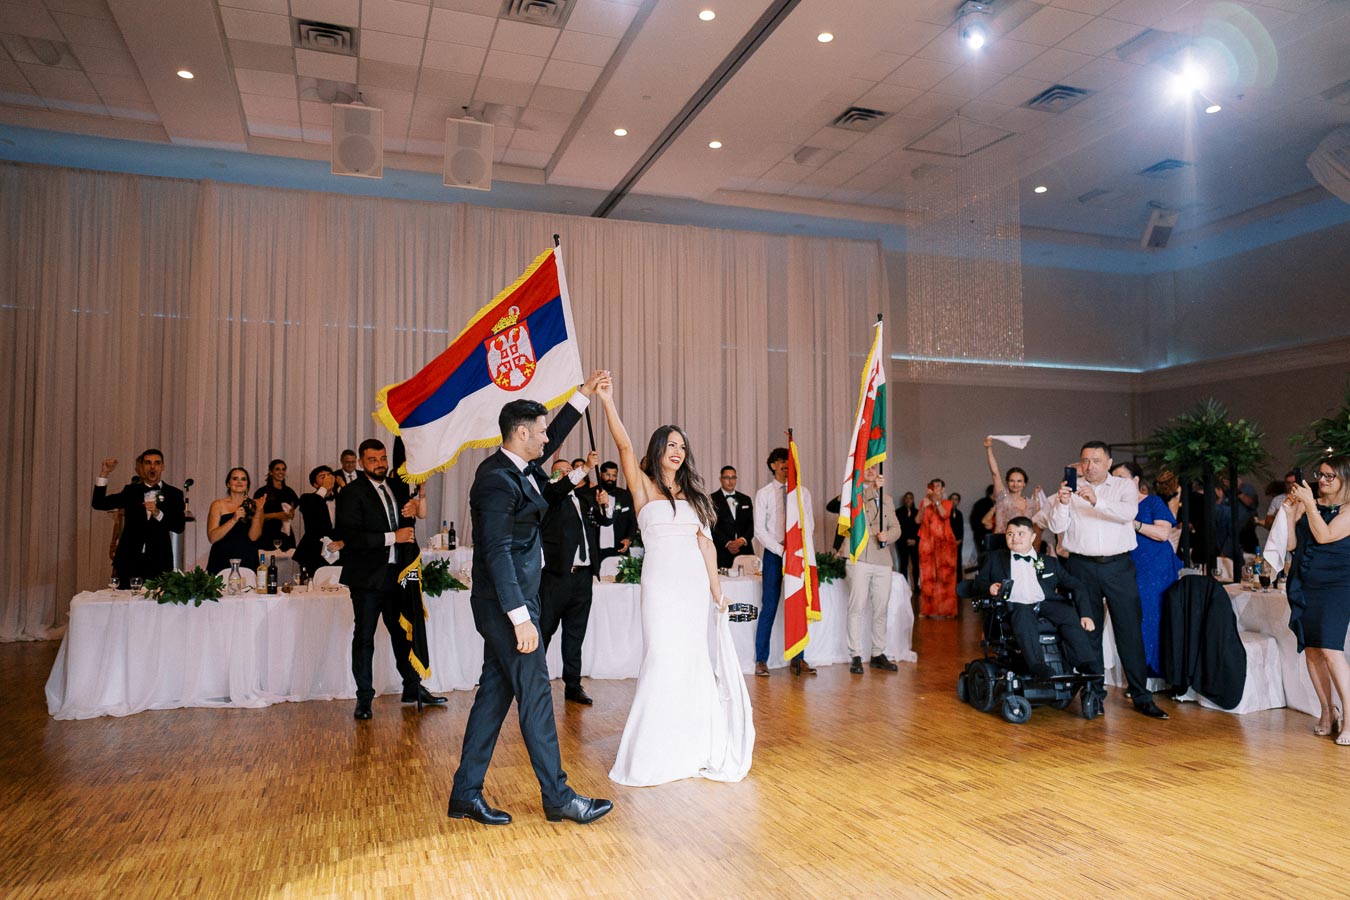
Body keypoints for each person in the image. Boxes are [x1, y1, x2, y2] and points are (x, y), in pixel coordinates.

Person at [448, 371, 614, 827]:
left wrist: (583, 396)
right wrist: (520, 618)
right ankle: (558, 797)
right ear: (521, 434)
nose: (546, 439)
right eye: (539, 432)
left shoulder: (521, 468)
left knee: (493, 697)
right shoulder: (495, 480)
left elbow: (555, 433)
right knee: (537, 694)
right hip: (508, 606)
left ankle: (465, 794)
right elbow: (497, 552)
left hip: (520, 600)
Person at [595, 379, 753, 786]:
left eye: (682, 446)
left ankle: (693, 748)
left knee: (693, 660)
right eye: (670, 445)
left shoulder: (696, 495)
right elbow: (624, 446)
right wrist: (608, 401)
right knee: (662, 658)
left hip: (693, 588)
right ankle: (654, 753)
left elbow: (706, 546)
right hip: (661, 587)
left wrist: (717, 593)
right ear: (658, 450)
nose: (677, 451)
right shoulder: (643, 487)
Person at [1049, 441, 1169, 719]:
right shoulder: (1071, 487)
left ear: (1109, 463)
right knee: (1088, 632)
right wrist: (1063, 503)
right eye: (1085, 461)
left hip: (1118, 566)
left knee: (1129, 632)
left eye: (1096, 461)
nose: (1090, 466)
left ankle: (1141, 696)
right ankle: (1094, 694)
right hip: (1081, 566)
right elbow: (1056, 526)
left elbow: (1128, 514)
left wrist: (1096, 500)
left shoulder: (1123, 487)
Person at [337, 440, 442, 721]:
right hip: (367, 579)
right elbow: (351, 537)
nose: (380, 464)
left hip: (399, 575)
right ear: (361, 463)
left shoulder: (396, 486)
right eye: (372, 460)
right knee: (365, 638)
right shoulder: (350, 493)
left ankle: (412, 688)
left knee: (403, 633)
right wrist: (392, 537)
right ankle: (364, 698)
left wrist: (412, 508)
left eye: (383, 458)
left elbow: (412, 516)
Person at [972, 517, 1101, 681]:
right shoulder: (995, 559)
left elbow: (1077, 585)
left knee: (1067, 613)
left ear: (1032, 537)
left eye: (1021, 534)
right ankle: (1037, 666)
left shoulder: (1049, 562)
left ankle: (1085, 663)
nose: (1015, 538)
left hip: (1044, 603)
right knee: (1023, 614)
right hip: (1014, 606)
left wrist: (1086, 614)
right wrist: (989, 587)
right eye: (1010, 534)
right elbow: (977, 584)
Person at [1284, 456, 1350, 745]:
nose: (1322, 480)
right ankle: (1327, 711)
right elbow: (1291, 545)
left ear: (1345, 479)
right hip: (1304, 581)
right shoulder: (1311, 505)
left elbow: (1324, 536)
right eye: (1320, 474)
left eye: (1329, 476)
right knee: (1311, 649)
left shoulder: (1348, 510)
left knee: (1330, 649)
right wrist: (1290, 514)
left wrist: (1309, 505)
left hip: (1337, 585)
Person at [539, 450, 610, 706]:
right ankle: (534, 682)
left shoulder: (583, 500)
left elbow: (604, 521)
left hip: (583, 578)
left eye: (571, 470)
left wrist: (605, 504)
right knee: (545, 630)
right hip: (556, 578)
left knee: (575, 634)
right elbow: (557, 490)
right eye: (562, 471)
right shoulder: (548, 496)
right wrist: (585, 467)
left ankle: (573, 685)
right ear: (553, 476)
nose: (569, 474)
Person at [1111, 461, 1182, 678]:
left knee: (1152, 613)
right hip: (1129, 565)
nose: (1117, 483)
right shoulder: (1114, 506)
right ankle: (1138, 673)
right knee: (1134, 617)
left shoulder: (1152, 502)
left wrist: (1133, 523)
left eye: (1121, 478)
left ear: (1135, 480)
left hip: (1155, 565)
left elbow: (1163, 533)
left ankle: (1154, 671)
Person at [753, 447, 816, 676]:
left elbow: (809, 524)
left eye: (788, 461)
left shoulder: (802, 493)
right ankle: (761, 660)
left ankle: (798, 659)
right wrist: (782, 551)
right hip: (774, 554)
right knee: (769, 607)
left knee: (797, 605)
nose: (785, 465)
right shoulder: (764, 493)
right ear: (773, 466)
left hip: (796, 555)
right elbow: (759, 530)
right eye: (781, 461)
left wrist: (798, 550)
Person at [92, 450, 185, 588]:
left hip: (159, 562)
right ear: (142, 467)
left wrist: (158, 513)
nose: (152, 467)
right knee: (124, 600)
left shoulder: (174, 494)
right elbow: (99, 504)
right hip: (128, 561)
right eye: (148, 463)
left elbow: (179, 527)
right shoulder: (131, 491)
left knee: (156, 601)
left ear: (163, 467)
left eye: (157, 463)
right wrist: (104, 473)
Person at [844, 465, 901, 675]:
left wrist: (889, 536)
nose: (871, 470)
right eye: (866, 466)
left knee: (881, 608)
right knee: (857, 607)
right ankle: (856, 655)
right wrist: (873, 490)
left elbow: (896, 527)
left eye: (874, 466)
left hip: (882, 558)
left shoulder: (887, 498)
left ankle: (878, 653)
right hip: (859, 556)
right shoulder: (853, 494)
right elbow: (855, 509)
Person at [983, 437, 1041, 551]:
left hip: (1023, 547)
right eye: (1012, 481)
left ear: (1024, 483)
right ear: (1007, 482)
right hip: (1001, 544)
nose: (1015, 484)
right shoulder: (1002, 497)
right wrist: (988, 449)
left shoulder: (1031, 504)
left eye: (1019, 481)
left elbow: (1036, 528)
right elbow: (995, 473)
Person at [205, 467, 265, 576]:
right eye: (235, 478)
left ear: (247, 484)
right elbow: (212, 538)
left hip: (247, 558)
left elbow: (254, 537)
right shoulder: (218, 505)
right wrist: (233, 519)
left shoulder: (255, 505)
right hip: (222, 558)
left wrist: (259, 511)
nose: (239, 482)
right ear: (228, 483)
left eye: (243, 479)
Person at [918, 478, 957, 618]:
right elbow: (917, 520)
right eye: (933, 486)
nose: (935, 488)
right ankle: (926, 610)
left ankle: (948, 610)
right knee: (926, 576)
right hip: (927, 542)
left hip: (944, 543)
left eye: (938, 486)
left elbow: (944, 514)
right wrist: (924, 506)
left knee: (946, 576)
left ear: (943, 489)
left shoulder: (947, 503)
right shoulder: (924, 502)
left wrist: (936, 501)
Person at [296, 465, 343, 577]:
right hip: (313, 552)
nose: (327, 478)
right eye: (322, 477)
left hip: (339, 550)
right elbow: (311, 510)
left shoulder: (343, 498)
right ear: (315, 484)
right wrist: (324, 489)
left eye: (329, 475)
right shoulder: (307, 498)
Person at [711, 465, 755, 569]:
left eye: (733, 477)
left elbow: (751, 524)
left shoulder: (745, 499)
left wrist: (742, 540)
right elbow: (711, 526)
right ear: (720, 479)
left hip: (744, 551)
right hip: (722, 552)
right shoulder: (711, 499)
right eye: (727, 478)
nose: (730, 481)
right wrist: (728, 543)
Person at [593, 461, 637, 561]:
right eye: (607, 475)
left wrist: (629, 539)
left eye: (614, 475)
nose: (611, 478)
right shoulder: (591, 494)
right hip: (596, 549)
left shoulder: (625, 495)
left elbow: (632, 521)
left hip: (619, 547)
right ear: (600, 474)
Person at [254, 458, 299, 551]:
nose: (281, 472)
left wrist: (290, 515)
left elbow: (292, 512)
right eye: (277, 469)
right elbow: (255, 516)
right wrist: (277, 515)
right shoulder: (262, 492)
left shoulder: (289, 492)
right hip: (267, 534)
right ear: (271, 472)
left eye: (283, 469)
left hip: (285, 534)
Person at [896, 491, 920, 593]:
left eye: (910, 498)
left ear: (913, 500)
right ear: (904, 500)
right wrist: (905, 540)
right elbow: (897, 528)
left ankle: (916, 586)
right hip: (903, 543)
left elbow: (920, 529)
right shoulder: (898, 512)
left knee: (916, 565)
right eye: (907, 498)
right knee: (903, 564)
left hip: (915, 543)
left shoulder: (918, 512)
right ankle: (904, 586)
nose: (908, 500)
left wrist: (915, 540)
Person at [970, 485, 995, 564]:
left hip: (983, 535)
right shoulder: (984, 504)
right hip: (984, 536)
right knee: (987, 559)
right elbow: (983, 522)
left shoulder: (982, 503)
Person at [949, 492, 966, 580]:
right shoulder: (946, 513)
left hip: (957, 542)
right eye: (952, 499)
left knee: (957, 561)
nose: (953, 501)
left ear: (958, 501)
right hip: (948, 542)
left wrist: (960, 539)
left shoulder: (959, 514)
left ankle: (958, 581)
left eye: (955, 499)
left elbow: (961, 528)